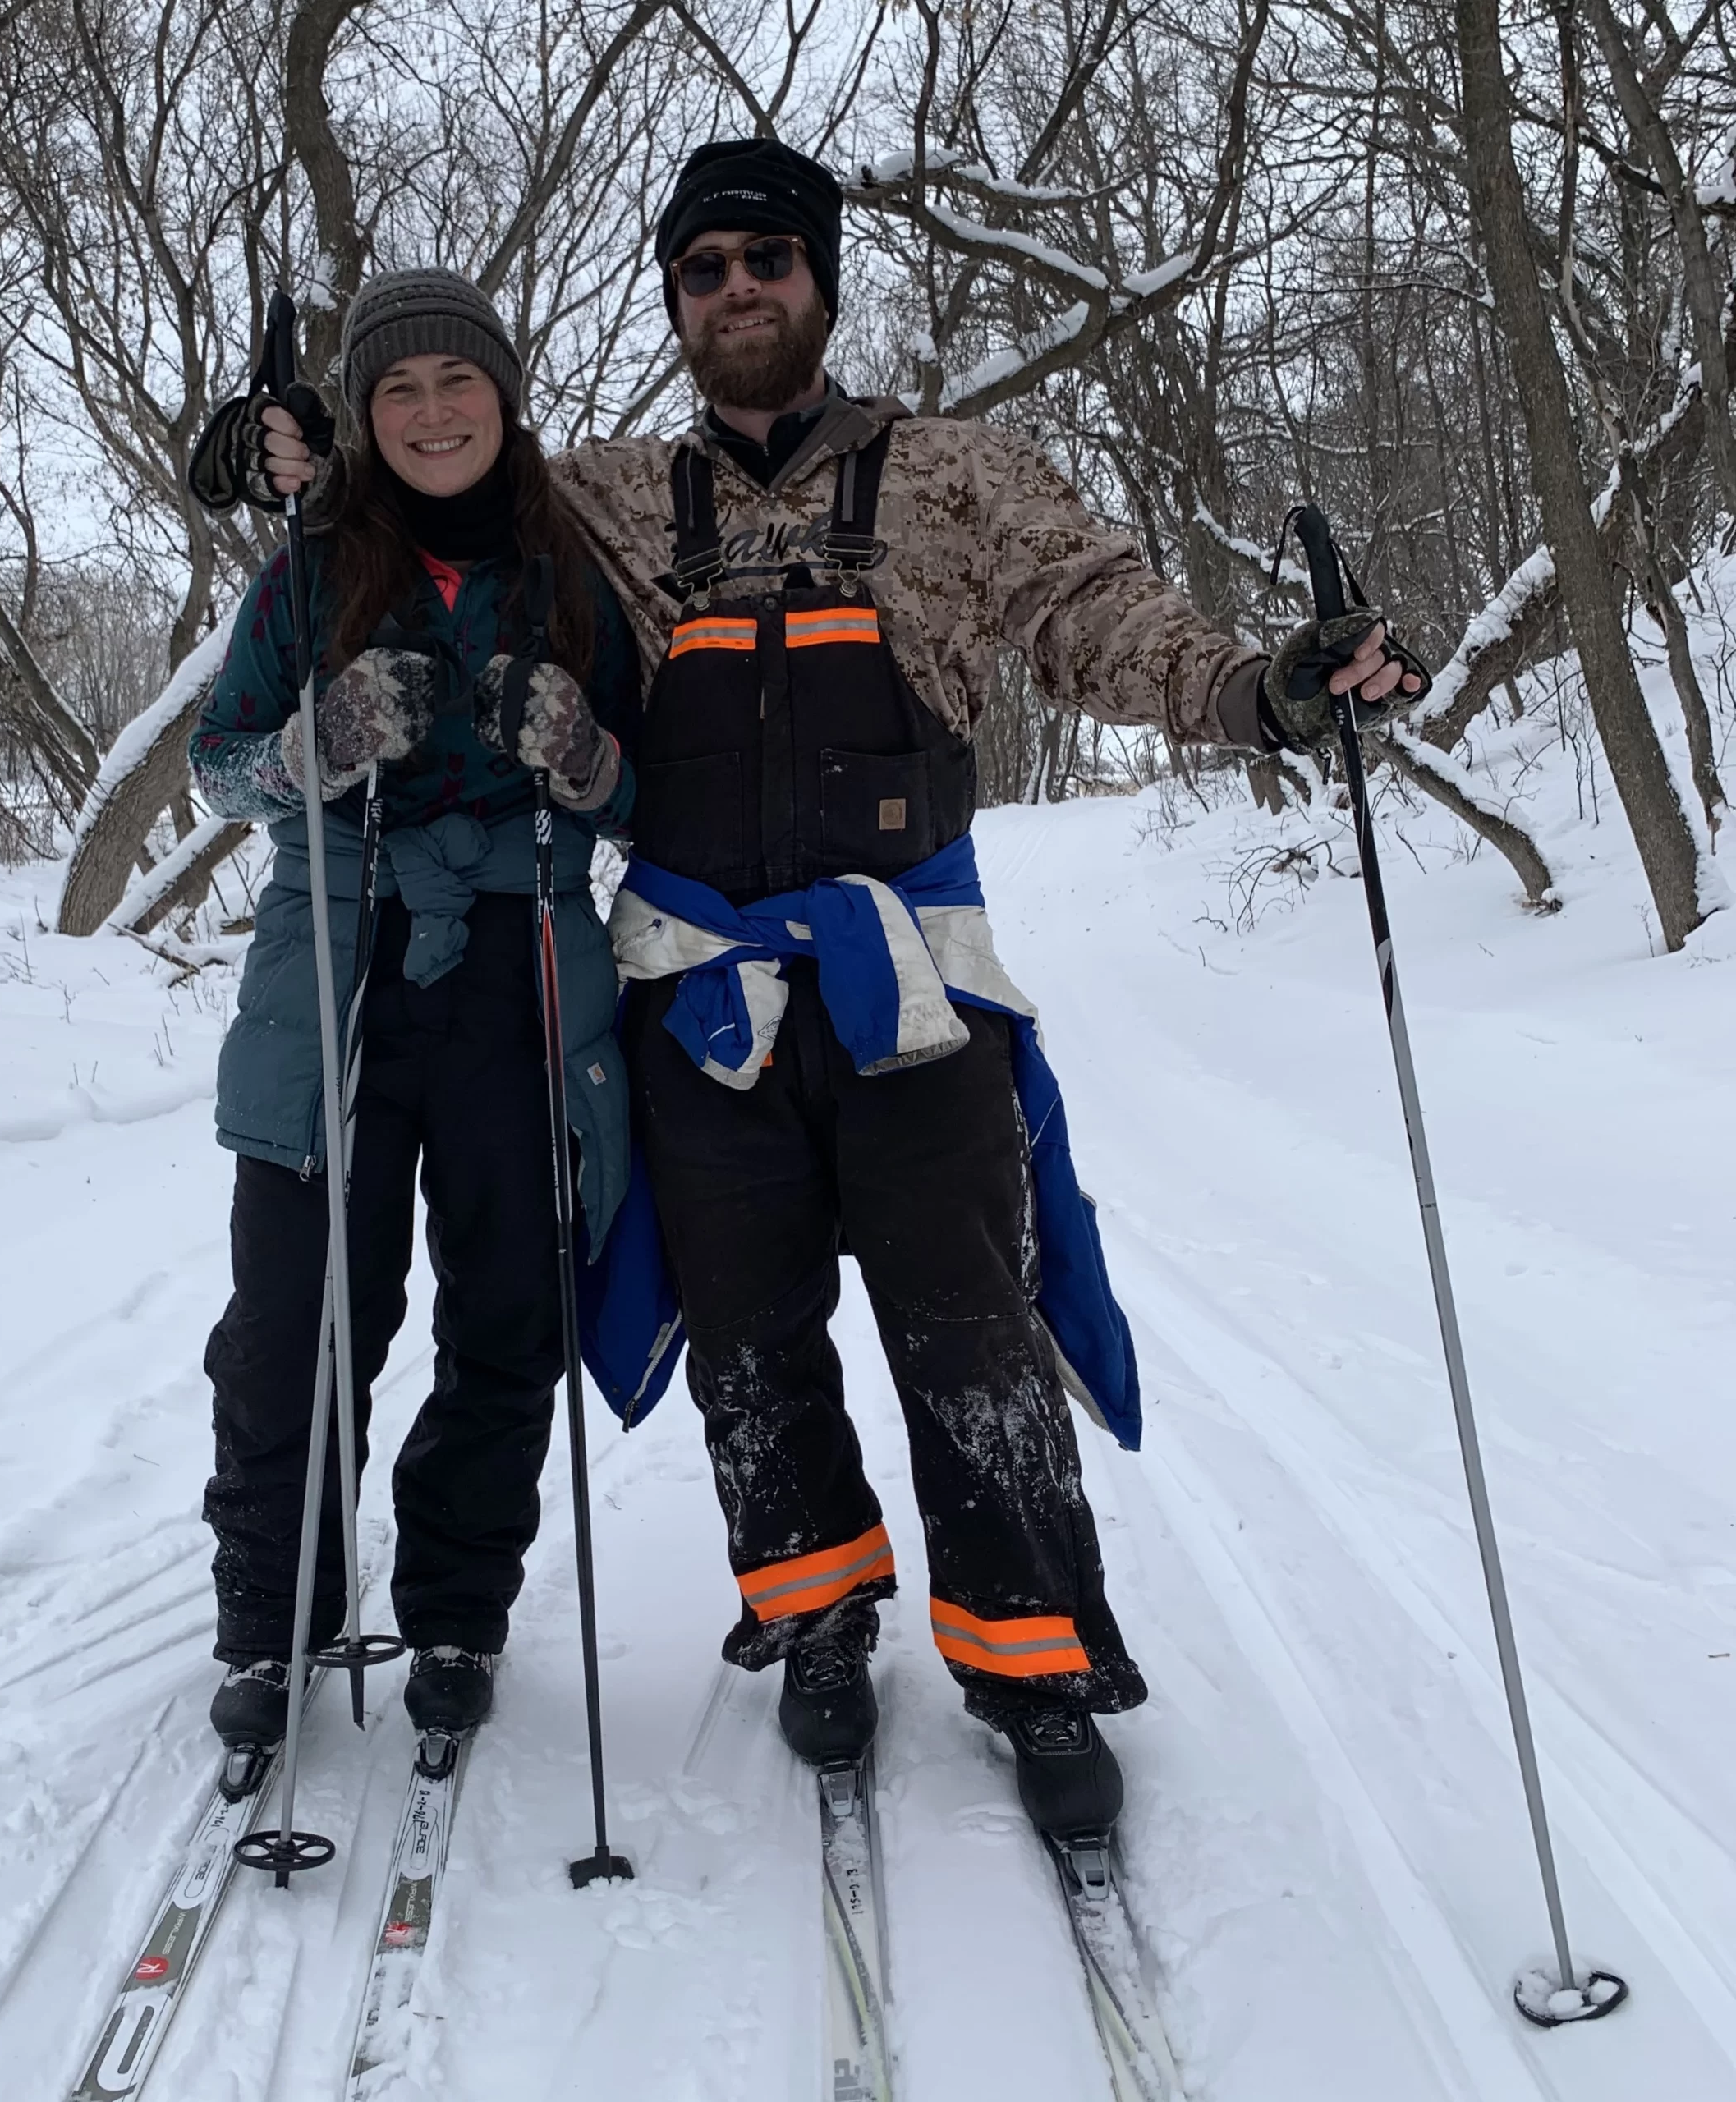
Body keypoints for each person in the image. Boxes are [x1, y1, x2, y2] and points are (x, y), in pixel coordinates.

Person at [192, 145, 1425, 1839]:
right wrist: (302, 457)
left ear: (820, 280)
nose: (736, 289)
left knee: (966, 1320)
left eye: (766, 258)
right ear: (675, 305)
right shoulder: (612, 501)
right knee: (751, 1342)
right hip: (700, 988)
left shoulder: (954, 474)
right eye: (700, 270)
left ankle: (1028, 1649)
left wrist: (1263, 691)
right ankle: (816, 1607)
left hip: (909, 966)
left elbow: (1099, 616)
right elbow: (441, 485)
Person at [186, 268, 641, 1761]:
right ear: (366, 421)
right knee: (301, 1312)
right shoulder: (313, 567)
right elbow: (222, 762)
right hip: (337, 959)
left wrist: (581, 756)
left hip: (525, 961)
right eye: (398, 391)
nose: (433, 412)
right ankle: (275, 1611)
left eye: (458, 382)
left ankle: (459, 1603)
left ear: (504, 400)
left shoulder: (579, 559)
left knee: (509, 1304)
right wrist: (314, 748)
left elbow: (647, 781)